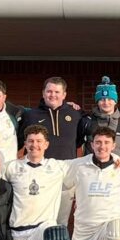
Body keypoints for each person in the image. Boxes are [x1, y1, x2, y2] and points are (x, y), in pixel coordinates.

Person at [18, 77, 85, 226]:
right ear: (43, 93)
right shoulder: (31, 116)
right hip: (38, 175)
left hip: (65, 175)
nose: (52, 95)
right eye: (49, 91)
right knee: (38, 219)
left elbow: (79, 141)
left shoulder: (76, 114)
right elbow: (19, 143)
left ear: (64, 95)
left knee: (61, 221)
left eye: (57, 92)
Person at [81, 76, 120, 163]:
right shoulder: (87, 121)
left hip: (118, 173)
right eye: (102, 99)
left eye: (110, 99)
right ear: (97, 101)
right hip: (92, 172)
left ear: (115, 101)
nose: (106, 102)